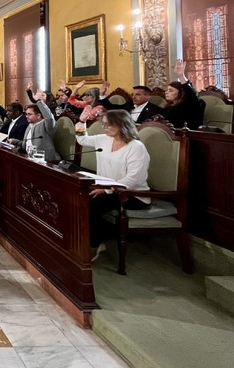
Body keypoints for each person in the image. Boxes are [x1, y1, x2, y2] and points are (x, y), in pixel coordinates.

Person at [75, 109, 150, 261]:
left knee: (92, 205)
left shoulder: (136, 147)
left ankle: (94, 245)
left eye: (108, 125)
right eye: (103, 124)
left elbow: (133, 179)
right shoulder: (104, 139)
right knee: (78, 197)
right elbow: (82, 140)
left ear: (122, 124)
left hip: (132, 194)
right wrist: (81, 121)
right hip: (106, 188)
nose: (104, 128)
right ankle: (82, 239)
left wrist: (107, 190)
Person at [12, 90, 61, 162]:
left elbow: (49, 117)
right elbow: (25, 145)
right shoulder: (29, 126)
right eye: (26, 114)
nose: (26, 116)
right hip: (31, 159)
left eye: (29, 114)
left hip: (47, 162)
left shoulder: (46, 125)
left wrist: (38, 101)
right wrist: (14, 141)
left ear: (38, 116)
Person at [161, 59, 205, 129]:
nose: (166, 92)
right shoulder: (167, 108)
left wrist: (181, 76)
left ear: (181, 93)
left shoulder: (190, 105)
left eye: (171, 91)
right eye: (167, 90)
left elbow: (191, 94)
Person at [99, 83, 163, 124]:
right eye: (133, 94)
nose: (133, 97)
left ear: (147, 97)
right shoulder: (129, 105)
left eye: (138, 94)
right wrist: (102, 94)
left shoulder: (154, 110)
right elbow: (111, 107)